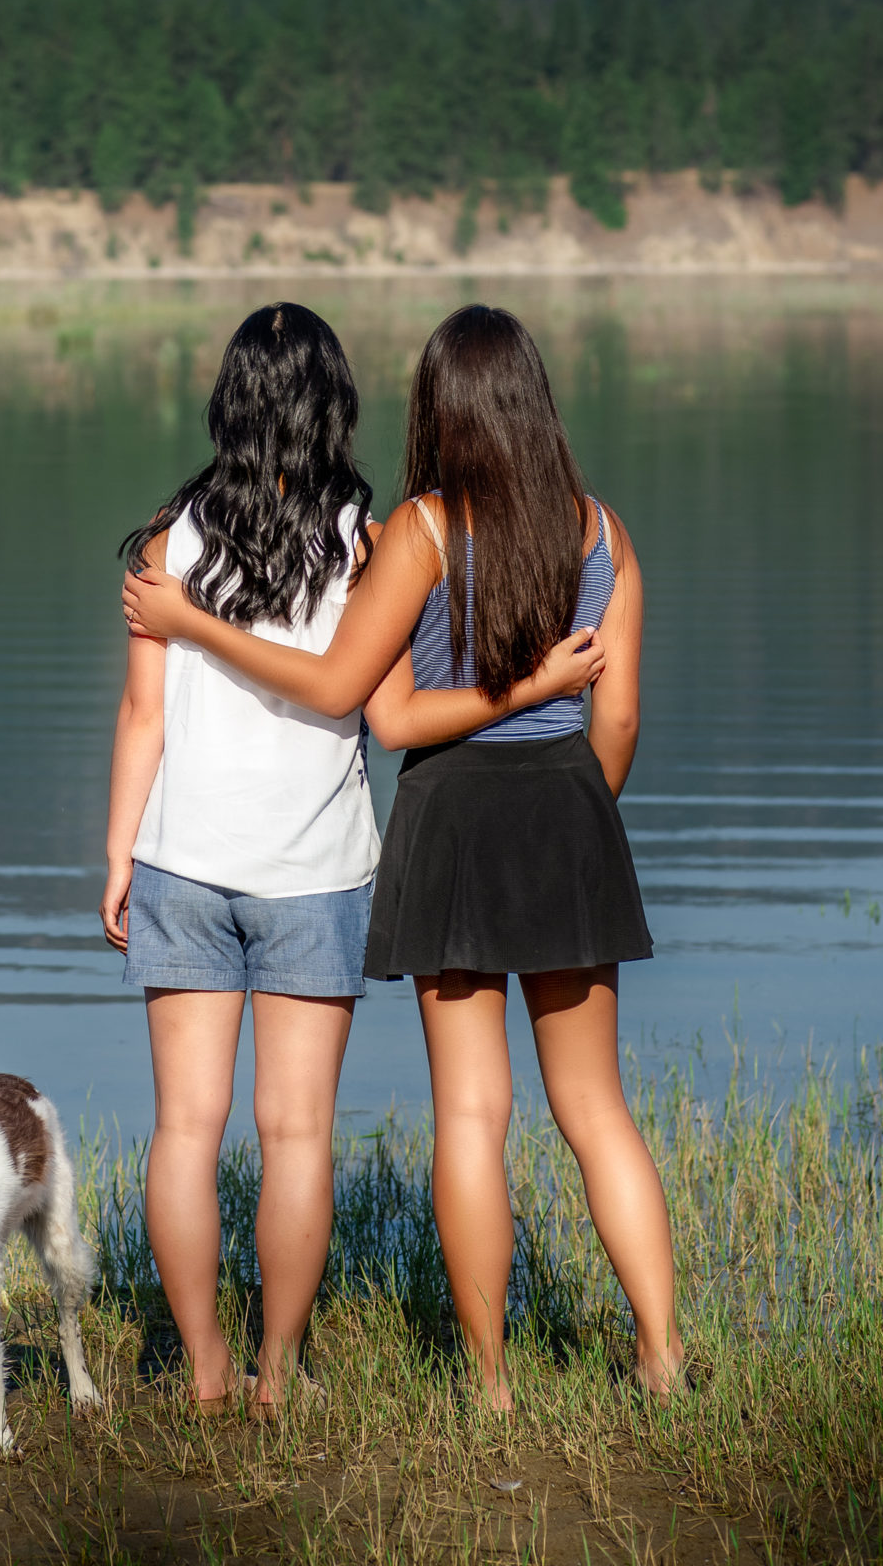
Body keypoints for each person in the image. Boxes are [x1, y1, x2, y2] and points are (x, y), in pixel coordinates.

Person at [123, 303, 682, 1412]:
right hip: (570, 813)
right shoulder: (601, 532)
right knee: (598, 1109)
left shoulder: (416, 530)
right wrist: (569, 800)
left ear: (437, 406)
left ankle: (486, 1383)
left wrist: (189, 624)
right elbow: (614, 722)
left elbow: (371, 711)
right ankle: (661, 1354)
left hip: (454, 823)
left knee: (471, 1114)